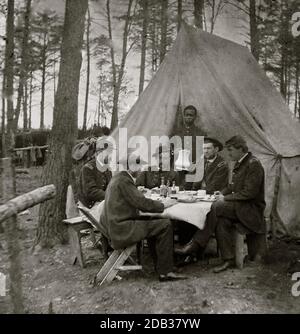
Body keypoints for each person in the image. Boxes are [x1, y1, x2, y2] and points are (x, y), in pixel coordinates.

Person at [176, 135, 266, 273]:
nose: (228, 153)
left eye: (231, 150)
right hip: (239, 207)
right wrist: (222, 193)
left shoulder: (253, 164)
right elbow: (231, 186)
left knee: (216, 206)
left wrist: (225, 199)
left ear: (241, 149)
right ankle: (228, 259)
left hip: (251, 209)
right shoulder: (240, 162)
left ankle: (195, 244)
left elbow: (250, 193)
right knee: (221, 221)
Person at [99, 151, 186, 282]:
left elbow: (136, 201)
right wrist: (164, 205)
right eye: (138, 166)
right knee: (165, 224)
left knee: (154, 221)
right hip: (122, 229)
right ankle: (166, 272)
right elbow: (143, 203)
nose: (140, 170)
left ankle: (161, 265)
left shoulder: (118, 178)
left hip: (117, 226)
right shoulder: (124, 180)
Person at [175, 137, 229, 251]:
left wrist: (195, 192)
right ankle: (184, 247)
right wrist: (183, 189)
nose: (205, 151)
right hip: (199, 197)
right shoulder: (201, 161)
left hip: (214, 198)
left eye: (209, 148)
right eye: (204, 149)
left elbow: (213, 187)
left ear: (216, 149)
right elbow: (190, 179)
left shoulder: (222, 164)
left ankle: (193, 249)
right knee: (183, 213)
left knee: (194, 213)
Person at [171, 105, 206, 189]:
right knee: (177, 187)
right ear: (183, 116)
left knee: (190, 189)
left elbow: (203, 152)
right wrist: (174, 152)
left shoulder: (200, 133)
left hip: (193, 166)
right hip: (178, 166)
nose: (188, 117)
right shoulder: (176, 132)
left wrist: (196, 164)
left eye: (191, 115)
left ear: (195, 117)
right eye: (186, 115)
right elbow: (171, 148)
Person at [77, 137, 112, 220]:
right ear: (99, 152)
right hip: (90, 208)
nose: (110, 156)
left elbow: (111, 187)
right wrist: (111, 195)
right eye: (108, 153)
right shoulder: (88, 168)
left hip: (102, 204)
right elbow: (91, 192)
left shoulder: (107, 169)